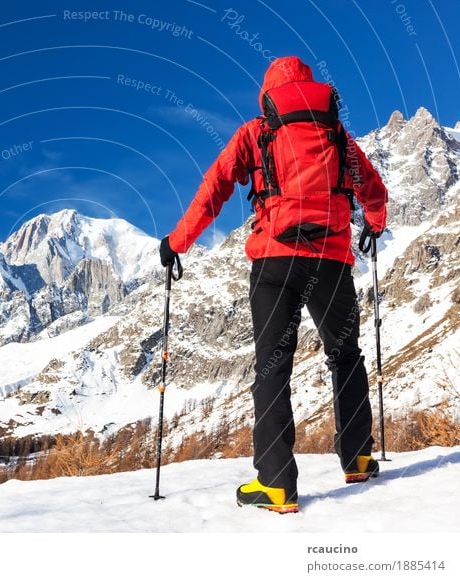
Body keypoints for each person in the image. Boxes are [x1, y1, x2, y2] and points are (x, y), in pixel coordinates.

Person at [159, 56, 388, 513]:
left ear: (269, 95)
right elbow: (372, 185)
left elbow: (215, 187)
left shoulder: (256, 132)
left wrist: (177, 242)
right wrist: (375, 223)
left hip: (275, 263)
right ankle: (359, 456)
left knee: (273, 364)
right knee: (345, 355)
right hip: (333, 260)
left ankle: (277, 482)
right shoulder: (337, 136)